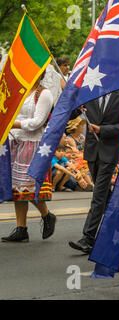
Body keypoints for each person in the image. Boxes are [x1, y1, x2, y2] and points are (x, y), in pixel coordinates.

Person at [68, 88, 119, 254]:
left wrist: (102, 130)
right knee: (105, 195)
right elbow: (70, 115)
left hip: (109, 152)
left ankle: (88, 237)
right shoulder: (90, 95)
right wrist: (76, 100)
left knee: (99, 195)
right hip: (92, 151)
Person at [2, 71, 56, 242]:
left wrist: (11, 123)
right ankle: (21, 229)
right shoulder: (19, 93)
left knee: (27, 187)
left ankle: (47, 215)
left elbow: (36, 123)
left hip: (33, 144)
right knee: (16, 187)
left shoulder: (44, 94)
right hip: (13, 142)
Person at [65, 117, 94, 190]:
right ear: (76, 127)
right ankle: (91, 185)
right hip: (74, 160)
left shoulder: (82, 137)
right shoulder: (70, 138)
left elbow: (86, 149)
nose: (83, 127)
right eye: (81, 125)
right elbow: (75, 152)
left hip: (81, 158)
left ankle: (90, 185)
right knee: (82, 165)